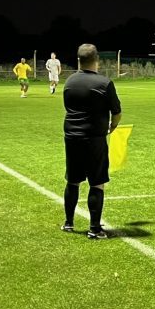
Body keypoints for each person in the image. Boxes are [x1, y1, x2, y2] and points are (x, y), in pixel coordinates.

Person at [61, 43, 122, 240]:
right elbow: (117, 112)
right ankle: (94, 229)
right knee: (97, 183)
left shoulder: (69, 81)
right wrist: (112, 126)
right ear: (97, 60)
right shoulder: (104, 83)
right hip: (94, 139)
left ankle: (69, 223)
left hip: (72, 137)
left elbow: (69, 106)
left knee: (73, 180)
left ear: (78, 60)